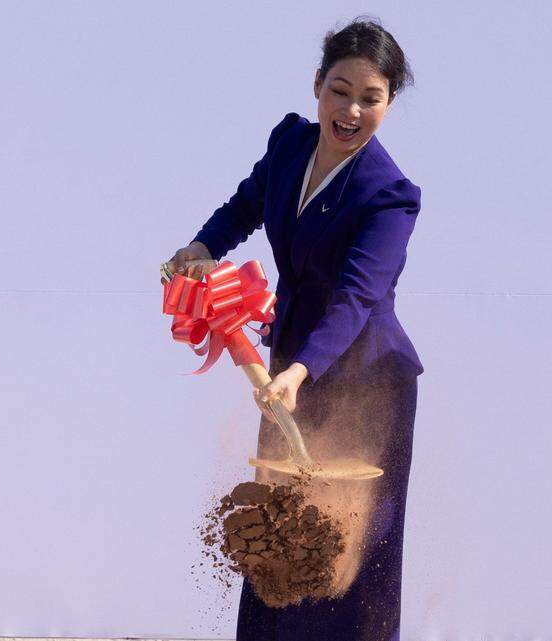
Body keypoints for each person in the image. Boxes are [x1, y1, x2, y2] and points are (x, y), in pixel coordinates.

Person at [167, 19, 422, 641]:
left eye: (371, 98)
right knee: (276, 529)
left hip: (363, 377)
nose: (352, 110)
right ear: (317, 85)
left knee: (341, 544)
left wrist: (300, 372)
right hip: (285, 368)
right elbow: (246, 203)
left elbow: (356, 298)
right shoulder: (289, 144)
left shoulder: (390, 195)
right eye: (340, 90)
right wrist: (202, 245)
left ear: (389, 105)